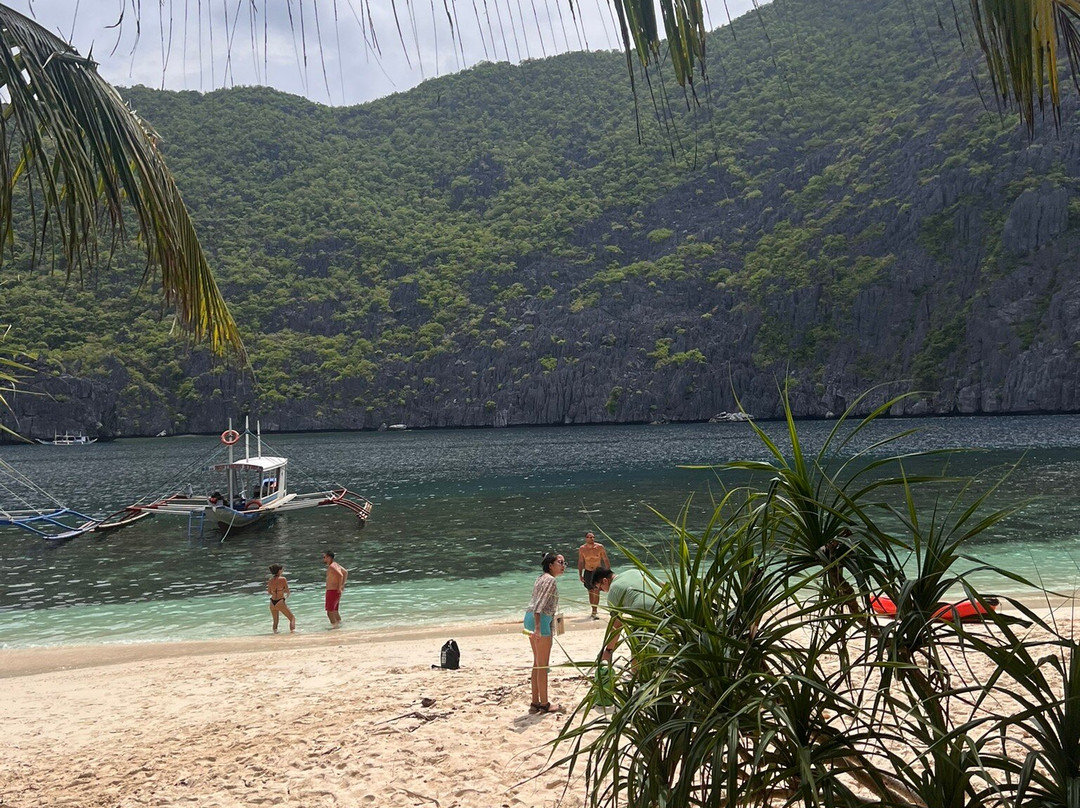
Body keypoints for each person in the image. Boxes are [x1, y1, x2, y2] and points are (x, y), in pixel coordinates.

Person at [524, 551, 567, 714]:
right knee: (543, 665)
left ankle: (535, 703)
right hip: (539, 620)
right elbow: (540, 605)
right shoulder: (549, 580)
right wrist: (537, 628)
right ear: (550, 565)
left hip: (530, 618)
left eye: (564, 563)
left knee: (537, 663)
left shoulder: (540, 578)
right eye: (560, 563)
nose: (563, 566)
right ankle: (544, 704)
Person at [591, 567, 660, 664]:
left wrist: (608, 651)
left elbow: (617, 625)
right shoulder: (634, 571)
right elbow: (662, 585)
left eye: (601, 589)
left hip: (647, 615)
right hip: (668, 607)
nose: (603, 591)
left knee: (636, 644)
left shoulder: (613, 590)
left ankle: (637, 674)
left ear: (605, 581)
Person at [576, 531, 611, 619]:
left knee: (596, 591)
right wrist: (580, 574)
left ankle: (595, 611)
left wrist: (608, 572)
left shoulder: (599, 547)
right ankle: (593, 609)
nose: (592, 539)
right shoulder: (582, 549)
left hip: (597, 571)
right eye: (590, 537)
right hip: (587, 571)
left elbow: (605, 559)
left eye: (593, 537)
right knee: (590, 592)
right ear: (586, 538)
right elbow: (580, 561)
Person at [267, 564, 296, 633]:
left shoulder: (270, 580)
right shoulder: (283, 579)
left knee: (275, 621)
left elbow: (269, 592)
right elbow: (287, 591)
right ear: (279, 571)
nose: (282, 571)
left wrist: (276, 592)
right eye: (282, 569)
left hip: (272, 602)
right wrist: (283, 592)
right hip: (280, 601)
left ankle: (275, 634)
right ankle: (293, 633)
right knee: (292, 618)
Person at [323, 550, 348, 628]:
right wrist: (342, 585)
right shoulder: (336, 564)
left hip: (332, 591)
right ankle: (340, 626)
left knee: (329, 612)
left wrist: (339, 587)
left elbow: (340, 575)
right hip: (335, 591)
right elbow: (345, 572)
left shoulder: (332, 566)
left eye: (324, 557)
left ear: (329, 557)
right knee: (335, 611)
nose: (324, 559)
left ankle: (335, 628)